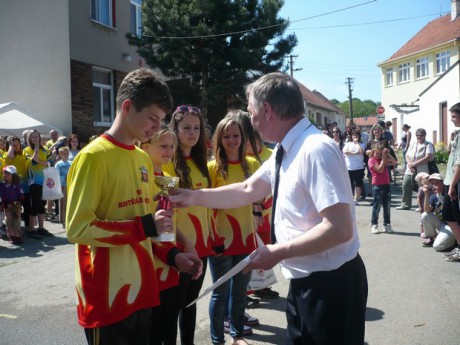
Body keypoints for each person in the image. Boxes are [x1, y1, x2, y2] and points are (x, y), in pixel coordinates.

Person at [170, 72, 368, 345]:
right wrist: (193, 196)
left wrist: (276, 252)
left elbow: (339, 228)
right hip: (305, 280)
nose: (250, 121)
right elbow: (248, 190)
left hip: (330, 284)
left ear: (267, 110)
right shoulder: (286, 149)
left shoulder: (315, 149)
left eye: (251, 112)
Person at [66, 68, 200, 345]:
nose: (155, 126)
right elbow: (78, 228)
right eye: (152, 118)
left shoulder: (142, 158)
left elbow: (151, 223)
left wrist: (174, 256)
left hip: (143, 292)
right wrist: (144, 226)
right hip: (107, 298)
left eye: (161, 120)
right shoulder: (92, 157)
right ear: (127, 107)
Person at [140, 127, 203, 345]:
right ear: (145, 146)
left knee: (168, 325)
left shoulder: (167, 178)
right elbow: (148, 226)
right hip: (149, 264)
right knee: (152, 331)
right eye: (163, 146)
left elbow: (167, 224)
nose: (169, 151)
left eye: (172, 146)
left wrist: (186, 242)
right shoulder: (140, 178)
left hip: (169, 260)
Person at [205, 115, 260, 345]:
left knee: (240, 292)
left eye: (236, 135)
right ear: (219, 139)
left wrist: (257, 217)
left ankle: (237, 335)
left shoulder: (253, 165)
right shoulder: (212, 168)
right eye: (226, 136)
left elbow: (258, 199)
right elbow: (206, 206)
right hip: (220, 239)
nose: (231, 140)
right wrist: (212, 237)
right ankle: (217, 340)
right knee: (220, 292)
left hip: (247, 238)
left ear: (243, 137)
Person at [164, 105, 214, 345]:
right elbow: (164, 211)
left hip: (201, 246)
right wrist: (185, 243)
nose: (192, 133)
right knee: (172, 307)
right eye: (186, 128)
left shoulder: (202, 163)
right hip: (179, 246)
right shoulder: (167, 166)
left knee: (191, 304)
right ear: (175, 129)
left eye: (196, 128)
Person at [23, 130, 53, 238]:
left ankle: (41, 228)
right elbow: (34, 162)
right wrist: (36, 149)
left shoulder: (45, 149)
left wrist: (43, 162)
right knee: (34, 206)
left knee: (42, 206)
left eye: (37, 137)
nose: (35, 139)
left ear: (40, 138)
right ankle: (31, 229)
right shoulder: (26, 150)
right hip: (34, 182)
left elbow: (51, 162)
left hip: (44, 182)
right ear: (30, 139)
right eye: (33, 137)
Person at [396, 128, 434, 210]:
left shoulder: (428, 145)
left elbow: (428, 157)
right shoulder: (413, 144)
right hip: (410, 169)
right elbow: (407, 155)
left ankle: (420, 206)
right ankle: (405, 204)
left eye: (421, 135)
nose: (419, 137)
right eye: (417, 135)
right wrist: (410, 164)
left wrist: (415, 164)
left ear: (424, 136)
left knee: (422, 187)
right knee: (406, 184)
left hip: (422, 169)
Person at [441, 102, 460, 262]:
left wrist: (453, 185)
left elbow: (459, 163)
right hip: (450, 180)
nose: (452, 119)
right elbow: (450, 154)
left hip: (456, 183)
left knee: (455, 216)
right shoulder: (457, 134)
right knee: (449, 215)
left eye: (454, 116)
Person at [421, 173, 457, 250]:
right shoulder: (434, 196)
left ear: (443, 183)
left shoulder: (449, 193)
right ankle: (433, 238)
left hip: (452, 225)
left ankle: (454, 241)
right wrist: (426, 194)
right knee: (425, 215)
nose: (434, 185)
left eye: (437, 182)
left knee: (438, 246)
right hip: (443, 224)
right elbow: (427, 210)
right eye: (432, 183)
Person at [368, 144, 398, 234]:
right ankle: (374, 225)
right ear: (373, 152)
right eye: (377, 153)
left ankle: (387, 225)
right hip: (377, 185)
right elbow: (380, 169)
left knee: (387, 206)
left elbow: (394, 163)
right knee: (377, 206)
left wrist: (388, 154)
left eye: (380, 154)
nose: (378, 155)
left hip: (386, 184)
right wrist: (384, 159)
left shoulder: (383, 158)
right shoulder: (371, 160)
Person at [4, 136, 30, 231]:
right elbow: (10, 156)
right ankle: (14, 230)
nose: (16, 146)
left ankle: (28, 227)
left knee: (27, 207)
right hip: (13, 188)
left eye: (17, 144)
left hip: (25, 186)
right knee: (13, 209)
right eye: (13, 145)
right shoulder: (7, 155)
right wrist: (10, 146)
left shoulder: (23, 155)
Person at [0, 165, 24, 244]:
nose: (6, 175)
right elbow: (2, 196)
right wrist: (6, 204)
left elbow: (21, 195)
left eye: (8, 174)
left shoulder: (16, 185)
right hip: (7, 206)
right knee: (8, 221)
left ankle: (18, 236)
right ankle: (11, 236)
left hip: (16, 206)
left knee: (16, 221)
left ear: (13, 176)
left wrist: (17, 202)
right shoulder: (3, 185)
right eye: (5, 173)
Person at [342, 129, 365, 205]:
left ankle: (356, 199)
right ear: (351, 136)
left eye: (357, 135)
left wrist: (357, 144)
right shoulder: (347, 144)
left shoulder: (362, 144)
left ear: (359, 137)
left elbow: (361, 152)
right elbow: (345, 152)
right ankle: (349, 198)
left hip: (359, 167)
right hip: (349, 167)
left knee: (358, 184)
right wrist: (355, 153)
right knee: (348, 184)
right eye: (354, 135)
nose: (355, 137)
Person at [54, 147, 71, 225]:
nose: (66, 155)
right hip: (62, 185)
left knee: (68, 201)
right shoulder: (58, 164)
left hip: (69, 185)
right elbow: (56, 174)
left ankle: (68, 216)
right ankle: (62, 217)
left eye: (67, 154)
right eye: (64, 154)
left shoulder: (70, 163)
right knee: (62, 201)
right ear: (60, 155)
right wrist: (64, 177)